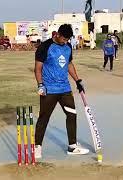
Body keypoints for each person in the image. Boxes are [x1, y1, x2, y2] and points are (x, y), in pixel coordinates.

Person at [34, 24, 89, 159]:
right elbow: (38, 69)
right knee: (44, 118)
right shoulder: (45, 47)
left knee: (72, 115)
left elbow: (69, 64)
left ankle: (72, 146)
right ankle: (37, 147)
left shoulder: (68, 46)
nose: (65, 42)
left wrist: (77, 81)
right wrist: (40, 85)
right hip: (49, 89)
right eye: (64, 39)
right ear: (57, 34)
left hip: (65, 89)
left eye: (67, 40)